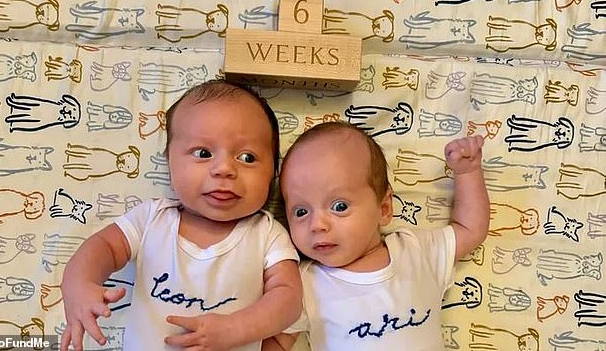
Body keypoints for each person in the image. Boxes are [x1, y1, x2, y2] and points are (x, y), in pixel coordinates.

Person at [61, 80, 302, 351]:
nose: (223, 169)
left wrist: (235, 329)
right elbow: (102, 247)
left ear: (273, 173)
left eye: (247, 158)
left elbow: (289, 300)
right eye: (203, 153)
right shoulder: (152, 219)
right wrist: (80, 284)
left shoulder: (266, 234)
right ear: (169, 163)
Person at [264, 121, 490, 350]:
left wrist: (468, 172)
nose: (317, 225)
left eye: (339, 206)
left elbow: (470, 229)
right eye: (301, 211)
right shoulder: (303, 284)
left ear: (384, 209)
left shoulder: (415, 251)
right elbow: (277, 341)